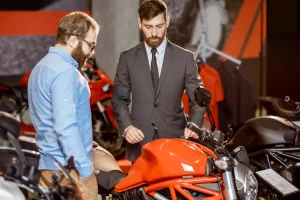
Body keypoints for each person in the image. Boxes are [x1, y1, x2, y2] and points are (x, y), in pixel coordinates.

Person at [111, 0, 206, 162]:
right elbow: (119, 100)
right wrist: (127, 127)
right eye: (148, 27)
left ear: (167, 21)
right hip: (139, 140)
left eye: (159, 26)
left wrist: (194, 125)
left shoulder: (185, 58)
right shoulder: (127, 58)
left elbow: (198, 99)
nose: (154, 33)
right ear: (140, 23)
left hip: (175, 139)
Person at [28, 11, 100, 200]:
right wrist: (85, 170)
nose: (92, 53)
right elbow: (64, 126)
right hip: (68, 171)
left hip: (48, 166)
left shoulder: (40, 67)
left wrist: (84, 139)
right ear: (74, 40)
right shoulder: (65, 72)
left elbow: (47, 120)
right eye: (90, 45)